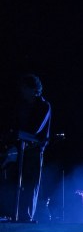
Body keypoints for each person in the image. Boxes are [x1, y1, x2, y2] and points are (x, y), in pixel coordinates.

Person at [0, 74, 51, 222]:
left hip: (33, 150)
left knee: (30, 184)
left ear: (33, 89)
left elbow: (35, 129)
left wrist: (16, 133)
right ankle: (12, 215)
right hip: (18, 149)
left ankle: (26, 218)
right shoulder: (22, 106)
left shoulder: (43, 106)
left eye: (25, 88)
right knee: (15, 182)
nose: (22, 91)